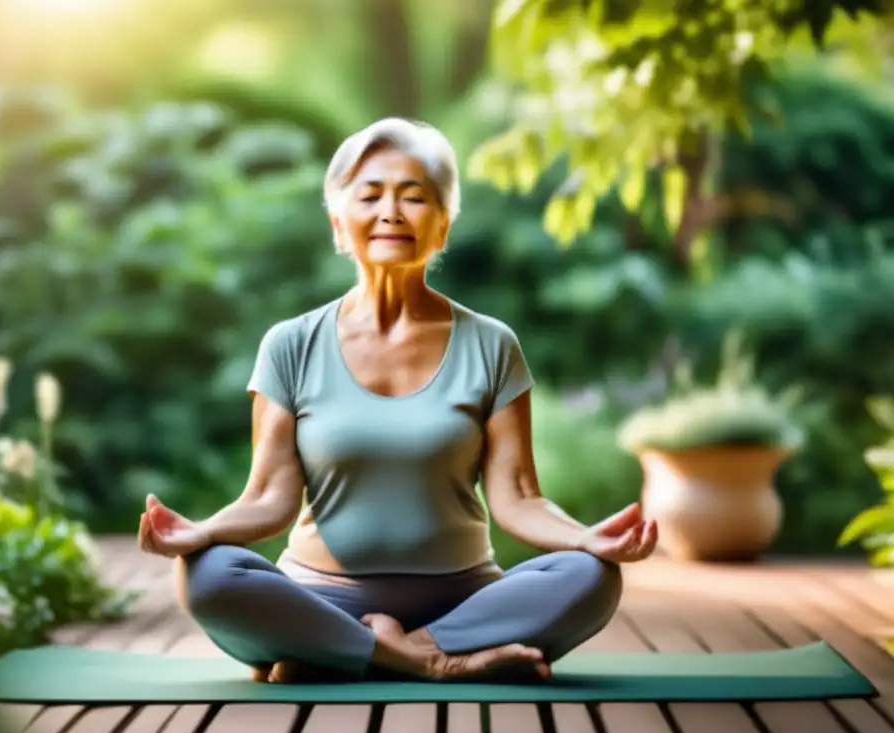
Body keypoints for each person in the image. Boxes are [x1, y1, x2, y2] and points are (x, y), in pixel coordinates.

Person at [137, 117, 658, 683]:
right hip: (320, 598)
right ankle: (419, 660)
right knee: (206, 575)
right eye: (370, 195)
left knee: (592, 577)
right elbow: (268, 498)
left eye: (414, 198)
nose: (391, 212)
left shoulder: (491, 344)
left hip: (464, 604)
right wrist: (202, 533)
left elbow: (520, 498)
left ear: (442, 229)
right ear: (340, 224)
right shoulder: (290, 344)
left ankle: (349, 654)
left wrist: (587, 538)